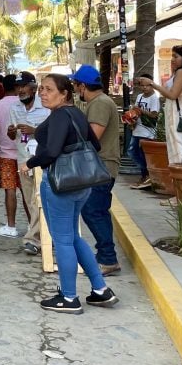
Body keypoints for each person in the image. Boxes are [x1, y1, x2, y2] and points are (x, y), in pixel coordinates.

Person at [27, 73, 119, 313]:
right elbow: (95, 145)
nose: (42, 93)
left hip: (60, 183)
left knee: (63, 241)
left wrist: (29, 163)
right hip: (82, 184)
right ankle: (100, 289)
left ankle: (69, 297)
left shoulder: (59, 116)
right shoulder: (78, 113)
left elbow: (52, 152)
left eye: (48, 89)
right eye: (40, 89)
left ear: (64, 93)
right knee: (75, 238)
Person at [70, 65, 121, 277]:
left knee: (92, 211)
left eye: (75, 86)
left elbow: (92, 137)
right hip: (101, 166)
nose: (74, 90)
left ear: (83, 86)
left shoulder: (99, 104)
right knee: (98, 211)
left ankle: (108, 258)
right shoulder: (99, 102)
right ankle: (106, 257)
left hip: (101, 167)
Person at [6, 72, 50, 254]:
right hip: (23, 157)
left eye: (23, 86)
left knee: (38, 199)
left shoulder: (46, 107)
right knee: (30, 200)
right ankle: (44, 236)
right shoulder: (14, 107)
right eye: (17, 87)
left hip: (41, 158)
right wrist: (11, 131)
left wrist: (35, 130)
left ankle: (33, 239)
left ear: (33, 88)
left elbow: (54, 132)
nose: (20, 90)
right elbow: (12, 136)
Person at [136, 44, 182, 171]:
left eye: (176, 56)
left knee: (179, 151)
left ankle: (181, 183)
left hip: (178, 117)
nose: (172, 59)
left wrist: (152, 84)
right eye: (172, 56)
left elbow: (172, 95)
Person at [0, 74, 23, 237]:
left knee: (10, 190)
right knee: (27, 192)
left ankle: (11, 226)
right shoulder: (23, 104)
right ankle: (33, 226)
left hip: (5, 154)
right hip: (24, 154)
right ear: (17, 87)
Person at [127, 77, 161, 190]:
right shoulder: (139, 97)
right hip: (137, 129)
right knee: (132, 152)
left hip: (147, 131)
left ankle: (145, 176)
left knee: (142, 154)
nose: (144, 87)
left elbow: (154, 115)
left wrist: (142, 111)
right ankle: (146, 175)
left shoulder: (154, 98)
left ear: (152, 85)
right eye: (142, 85)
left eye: (147, 85)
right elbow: (136, 111)